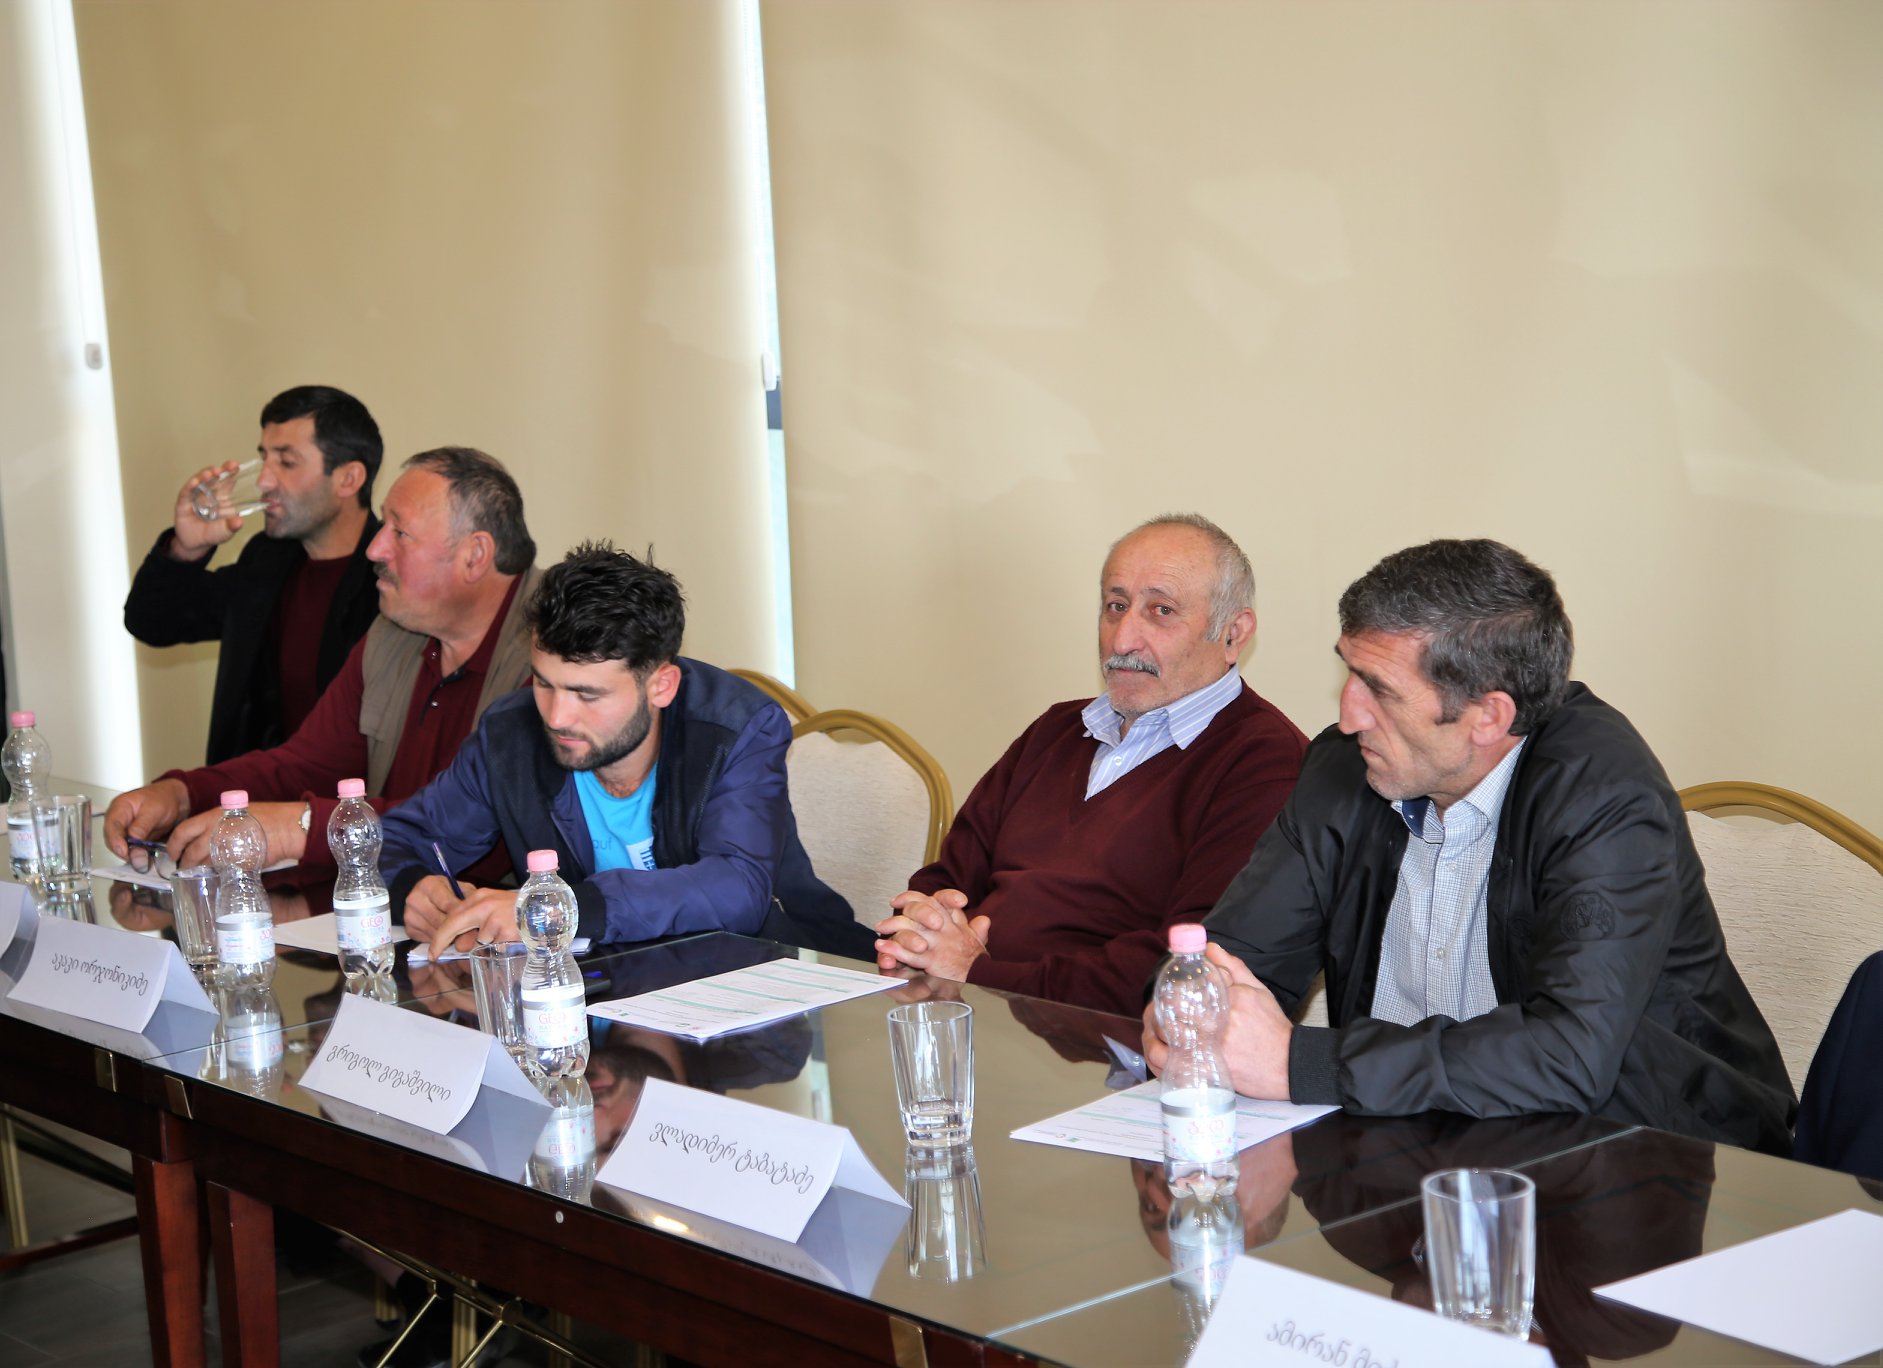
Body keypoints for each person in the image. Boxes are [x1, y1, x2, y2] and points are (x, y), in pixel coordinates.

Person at [1143, 538, 1794, 1153]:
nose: (1347, 715)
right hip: (1408, 1150)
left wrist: (1300, 1062)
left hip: (1650, 1157)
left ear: (1488, 716)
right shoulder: (1342, 769)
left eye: (1380, 689)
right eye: (1350, 673)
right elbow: (1229, 963)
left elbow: (1567, 1055)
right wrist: (1188, 1014)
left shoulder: (1603, 797)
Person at [874, 513, 1307, 1017]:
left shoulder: (1265, 762)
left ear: (1233, 634)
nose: (1123, 640)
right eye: (1115, 606)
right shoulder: (1056, 729)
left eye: (1161, 611)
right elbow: (949, 877)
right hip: (972, 1014)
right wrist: (921, 931)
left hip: (1107, 1045)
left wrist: (979, 972)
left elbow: (1192, 966)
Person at [382, 541, 869, 960]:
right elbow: (396, 840)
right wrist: (412, 888)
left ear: (661, 686)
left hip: (779, 975)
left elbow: (737, 888)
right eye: (545, 684)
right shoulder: (511, 735)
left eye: (587, 695)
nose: (557, 717)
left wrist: (563, 908)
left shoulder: (736, 729)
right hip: (617, 991)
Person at [103, 447, 540, 872]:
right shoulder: (392, 632)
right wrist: (184, 793)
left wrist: (301, 829)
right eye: (383, 524)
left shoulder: (550, 655)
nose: (375, 549)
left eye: (400, 533)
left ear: (474, 556)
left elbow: (480, 832)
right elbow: (308, 764)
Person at [124, 385, 385, 763]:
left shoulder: (391, 578)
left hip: (348, 797)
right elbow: (152, 622)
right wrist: (186, 549)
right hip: (254, 795)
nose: (264, 480)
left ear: (348, 478)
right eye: (264, 459)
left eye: (287, 462)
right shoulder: (266, 559)